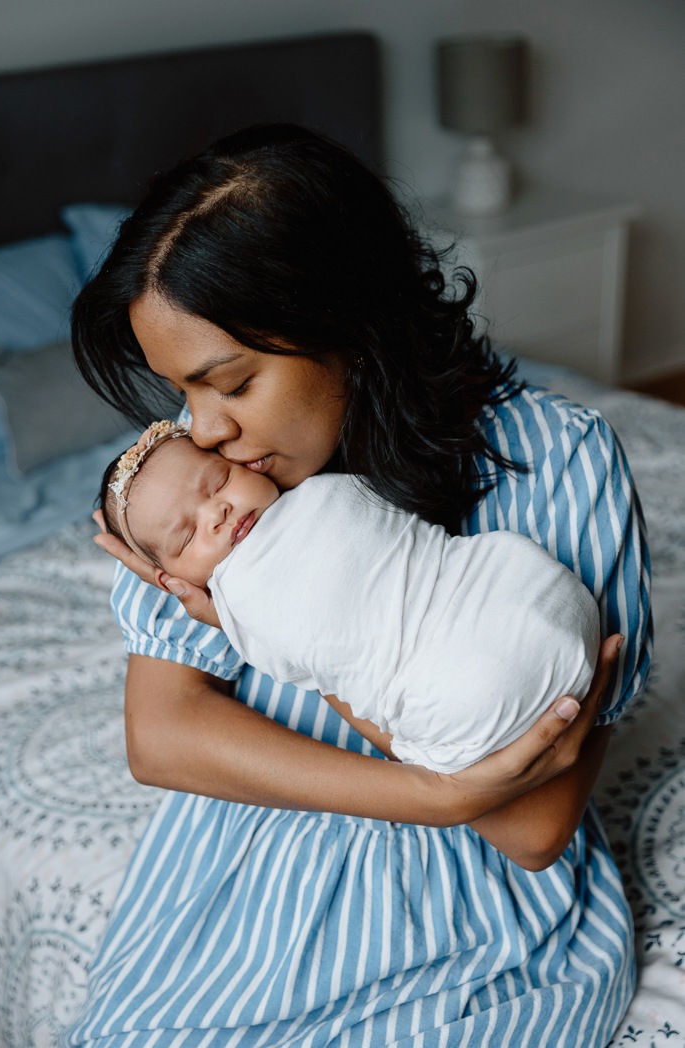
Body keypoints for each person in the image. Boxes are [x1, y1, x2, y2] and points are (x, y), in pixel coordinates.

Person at [64, 124, 651, 1047]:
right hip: (241, 886)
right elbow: (166, 736)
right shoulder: (193, 497)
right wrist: (437, 793)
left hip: (474, 921)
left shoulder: (552, 461)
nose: (205, 430)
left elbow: (532, 825)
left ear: (347, 322)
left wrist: (289, 640)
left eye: (233, 383)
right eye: (182, 394)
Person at [100, 420, 600, 774]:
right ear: (169, 576)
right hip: (471, 684)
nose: (218, 513)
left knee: (490, 567)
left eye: (219, 481)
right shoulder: (238, 609)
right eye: (187, 536)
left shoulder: (321, 488)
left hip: (508, 594)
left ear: (245, 462)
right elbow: (301, 659)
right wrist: (230, 620)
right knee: (441, 689)